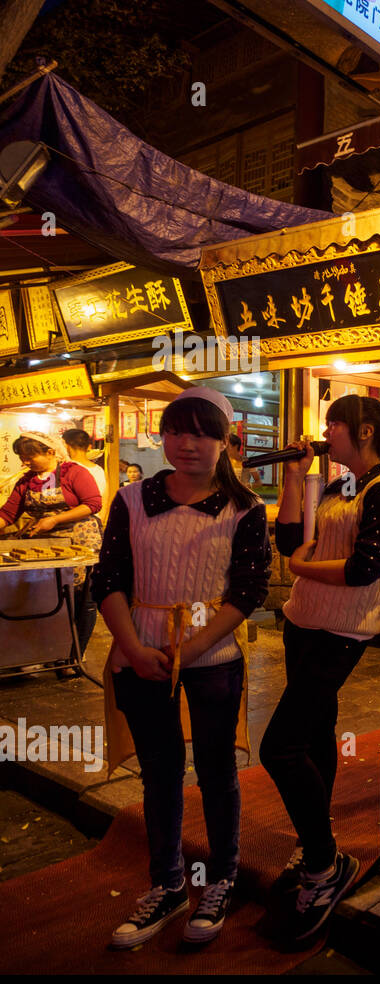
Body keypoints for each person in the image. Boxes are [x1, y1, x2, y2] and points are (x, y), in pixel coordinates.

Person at [93, 387, 270, 949]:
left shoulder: (244, 510)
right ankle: (168, 885)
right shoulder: (130, 499)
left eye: (201, 433)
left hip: (210, 659)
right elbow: (109, 578)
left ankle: (220, 879)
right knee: (160, 771)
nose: (186, 443)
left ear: (224, 442)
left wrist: (183, 655)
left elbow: (247, 592)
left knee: (217, 772)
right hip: (139, 655)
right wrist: (135, 647)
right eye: (176, 431)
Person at [265, 394, 380, 941]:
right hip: (302, 622)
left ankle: (326, 866)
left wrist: (304, 567)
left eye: (333, 424)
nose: (323, 431)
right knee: (314, 734)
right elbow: (288, 541)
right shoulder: (337, 484)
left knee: (278, 747)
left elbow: (363, 570)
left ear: (366, 431)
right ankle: (314, 844)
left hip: (342, 632)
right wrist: (293, 476)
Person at [1, 430, 104, 677]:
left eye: (29, 456)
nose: (24, 462)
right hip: (46, 545)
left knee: (80, 600)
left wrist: (55, 519)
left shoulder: (75, 472)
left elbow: (93, 504)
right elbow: (6, 515)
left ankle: (73, 656)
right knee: (46, 598)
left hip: (81, 540)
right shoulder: (26, 481)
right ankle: (44, 652)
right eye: (21, 457)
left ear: (50, 452)